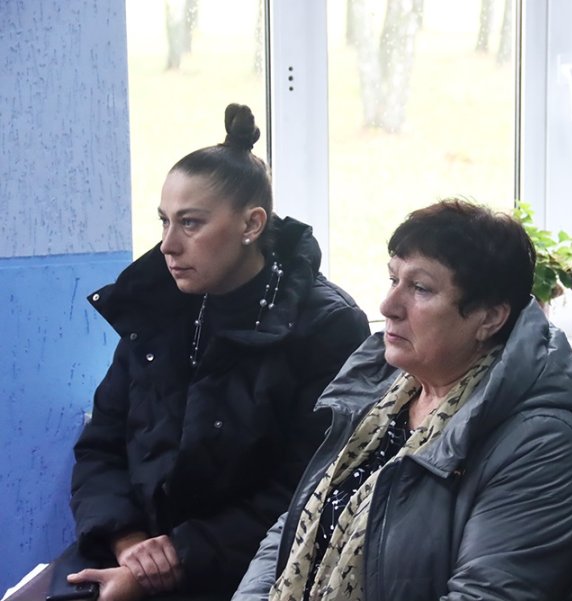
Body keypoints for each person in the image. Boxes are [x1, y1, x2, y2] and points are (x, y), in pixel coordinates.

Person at [66, 103, 371, 601]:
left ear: (252, 224)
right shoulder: (156, 306)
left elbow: (311, 487)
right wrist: (127, 541)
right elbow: (101, 446)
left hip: (254, 576)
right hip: (127, 557)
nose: (168, 245)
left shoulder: (326, 325)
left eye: (190, 223)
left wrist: (176, 558)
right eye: (164, 221)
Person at [232, 199, 572, 601]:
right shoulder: (380, 393)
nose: (388, 306)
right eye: (393, 279)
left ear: (489, 318)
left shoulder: (540, 446)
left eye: (420, 288)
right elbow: (295, 527)